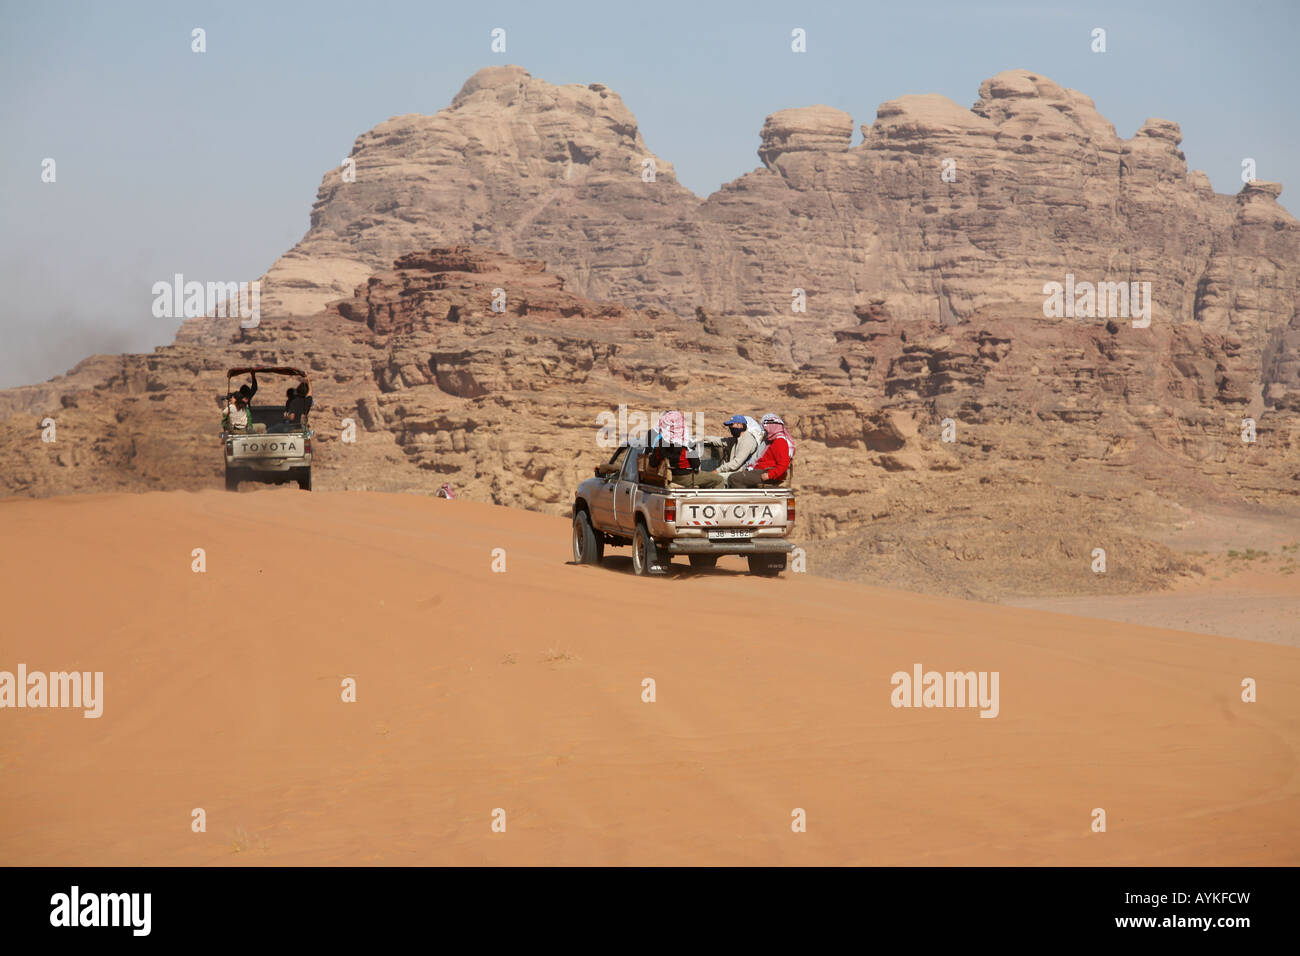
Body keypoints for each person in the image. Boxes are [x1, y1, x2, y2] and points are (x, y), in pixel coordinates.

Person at [727, 413, 795, 487]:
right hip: (761, 471)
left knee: (733, 478)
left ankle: (744, 498)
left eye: (766, 427)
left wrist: (769, 475)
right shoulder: (771, 442)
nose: (765, 429)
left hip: (767, 473)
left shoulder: (780, 441)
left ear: (773, 427)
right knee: (737, 476)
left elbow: (784, 464)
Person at [695, 414, 762, 487]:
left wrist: (718, 470)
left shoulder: (748, 440)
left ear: (740, 425)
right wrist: (704, 438)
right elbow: (720, 440)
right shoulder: (736, 439)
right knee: (707, 478)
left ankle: (716, 497)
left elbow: (736, 463)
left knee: (711, 479)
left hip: (740, 473)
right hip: (733, 472)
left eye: (731, 425)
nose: (730, 428)